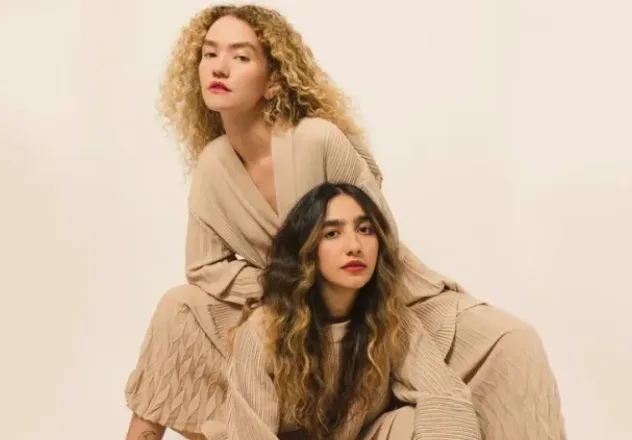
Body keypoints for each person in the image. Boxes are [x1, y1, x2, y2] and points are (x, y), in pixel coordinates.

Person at [124, 4, 566, 440]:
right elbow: (205, 267)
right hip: (293, 307)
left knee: (513, 341)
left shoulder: (316, 140)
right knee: (179, 307)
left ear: (273, 81)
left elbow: (377, 231)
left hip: (382, 291)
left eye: (240, 56)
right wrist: (292, 286)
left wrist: (330, 276)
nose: (219, 67)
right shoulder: (212, 166)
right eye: (209, 53)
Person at [199, 182, 481, 440]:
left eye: (365, 230)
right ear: (307, 249)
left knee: (411, 421)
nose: (355, 246)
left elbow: (447, 396)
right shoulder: (263, 333)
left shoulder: (389, 319)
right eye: (332, 233)